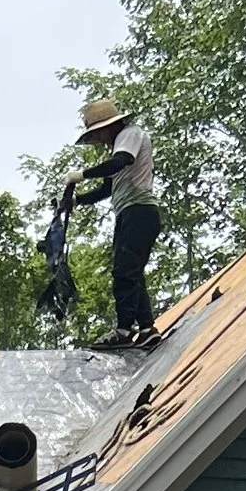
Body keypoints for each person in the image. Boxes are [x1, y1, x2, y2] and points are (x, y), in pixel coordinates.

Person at [60, 94, 163, 348]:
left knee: (124, 271)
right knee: (132, 271)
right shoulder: (120, 145)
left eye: (99, 134)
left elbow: (120, 162)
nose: (99, 140)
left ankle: (125, 330)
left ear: (109, 126)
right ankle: (147, 328)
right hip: (130, 212)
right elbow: (108, 187)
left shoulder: (130, 135)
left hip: (139, 211)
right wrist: (77, 201)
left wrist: (82, 174)